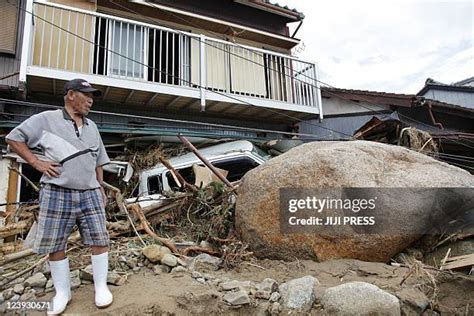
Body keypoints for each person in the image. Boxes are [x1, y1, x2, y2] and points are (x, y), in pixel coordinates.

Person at [6, 79, 112, 315]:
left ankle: (101, 287)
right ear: (71, 94)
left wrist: (101, 186)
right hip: (56, 191)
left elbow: (99, 160)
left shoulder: (92, 126)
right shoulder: (46, 119)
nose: (91, 100)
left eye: (93, 96)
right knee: (56, 244)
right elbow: (14, 138)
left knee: (100, 239)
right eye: (87, 95)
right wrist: (35, 162)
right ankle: (63, 293)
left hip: (90, 191)